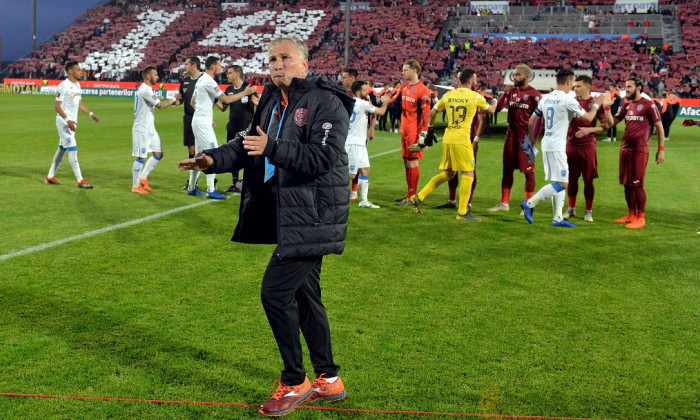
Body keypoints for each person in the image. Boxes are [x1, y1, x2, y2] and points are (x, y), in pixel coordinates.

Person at [177, 37, 353, 417]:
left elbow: (322, 158)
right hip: (290, 214)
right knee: (306, 298)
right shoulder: (273, 99)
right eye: (272, 58)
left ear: (304, 64)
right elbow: (246, 143)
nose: (277, 65)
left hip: (315, 216)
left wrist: (272, 147)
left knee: (275, 293)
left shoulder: (326, 101)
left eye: (285, 58)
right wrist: (211, 160)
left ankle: (294, 382)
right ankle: (328, 379)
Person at [520, 69, 608, 227]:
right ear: (568, 81)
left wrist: (531, 140)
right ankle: (530, 203)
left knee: (560, 180)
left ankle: (558, 217)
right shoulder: (568, 100)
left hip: (547, 143)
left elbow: (532, 120)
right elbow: (588, 117)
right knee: (563, 184)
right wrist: (596, 105)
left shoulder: (546, 98)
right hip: (557, 146)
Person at [410, 68, 496, 220]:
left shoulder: (449, 94)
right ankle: (462, 212)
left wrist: (430, 131)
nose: (475, 81)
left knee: (449, 173)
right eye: (474, 79)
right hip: (462, 139)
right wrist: (495, 100)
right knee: (469, 173)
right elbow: (491, 110)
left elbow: (431, 113)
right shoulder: (476, 97)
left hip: (448, 137)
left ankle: (419, 196)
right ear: (470, 81)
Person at [187, 55, 256, 199]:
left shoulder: (201, 80)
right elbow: (226, 99)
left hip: (198, 121)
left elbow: (193, 102)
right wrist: (245, 92)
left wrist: (205, 116)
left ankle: (192, 187)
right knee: (212, 153)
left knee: (199, 154)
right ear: (212, 67)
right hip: (202, 123)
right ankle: (211, 189)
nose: (221, 68)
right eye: (219, 66)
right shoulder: (208, 81)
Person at [604, 75, 665, 229]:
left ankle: (641, 218)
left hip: (640, 150)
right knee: (627, 184)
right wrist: (606, 108)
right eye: (626, 86)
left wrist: (661, 150)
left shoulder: (648, 105)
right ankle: (631, 214)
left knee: (637, 185)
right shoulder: (625, 106)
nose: (626, 89)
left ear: (638, 88)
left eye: (629, 87)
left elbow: (659, 127)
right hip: (625, 149)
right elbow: (611, 124)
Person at [488, 65, 542, 212]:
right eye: (514, 74)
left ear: (527, 76)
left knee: (529, 172)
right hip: (510, 137)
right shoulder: (511, 92)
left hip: (526, 139)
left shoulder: (535, 95)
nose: (515, 77)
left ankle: (528, 206)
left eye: (518, 75)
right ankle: (504, 203)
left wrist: (533, 140)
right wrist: (504, 94)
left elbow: (539, 121)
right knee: (507, 170)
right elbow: (497, 109)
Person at [45, 61, 100, 188]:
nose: (81, 72)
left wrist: (92, 114)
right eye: (78, 69)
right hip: (64, 122)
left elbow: (79, 104)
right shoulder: (63, 86)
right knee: (73, 149)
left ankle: (50, 176)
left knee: (61, 150)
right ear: (70, 71)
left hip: (72, 123)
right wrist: (67, 120)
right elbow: (57, 106)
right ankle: (80, 180)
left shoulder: (77, 85)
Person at [563, 75, 608, 222]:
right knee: (571, 179)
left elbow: (605, 126)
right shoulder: (571, 102)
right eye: (574, 86)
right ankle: (571, 209)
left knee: (588, 180)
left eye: (578, 86)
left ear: (588, 87)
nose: (575, 89)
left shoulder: (595, 103)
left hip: (588, 146)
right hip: (571, 145)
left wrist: (589, 130)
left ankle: (588, 211)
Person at [131, 67, 180, 194]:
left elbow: (161, 103)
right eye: (155, 75)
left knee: (158, 154)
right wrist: (174, 99)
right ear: (148, 77)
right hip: (141, 129)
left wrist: (173, 103)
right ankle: (135, 186)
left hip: (150, 128)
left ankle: (143, 177)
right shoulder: (145, 90)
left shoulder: (148, 89)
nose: (158, 77)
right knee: (141, 158)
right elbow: (161, 106)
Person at [394, 59, 432, 205]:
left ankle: (412, 196)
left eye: (405, 70)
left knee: (412, 162)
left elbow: (425, 114)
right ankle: (409, 193)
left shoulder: (423, 90)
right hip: (404, 129)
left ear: (414, 70)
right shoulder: (404, 87)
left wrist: (423, 135)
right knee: (406, 161)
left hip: (414, 131)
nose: (403, 72)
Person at [346, 80, 390, 208]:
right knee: (351, 175)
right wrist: (386, 102)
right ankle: (326, 186)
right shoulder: (362, 103)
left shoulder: (350, 102)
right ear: (358, 92)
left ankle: (364, 201)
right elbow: (381, 112)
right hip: (354, 143)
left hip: (359, 143)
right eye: (365, 90)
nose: (367, 91)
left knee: (365, 169)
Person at [217, 65, 260, 194]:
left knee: (248, 155)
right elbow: (224, 108)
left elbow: (259, 106)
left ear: (237, 74)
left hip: (246, 128)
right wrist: (215, 101)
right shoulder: (229, 89)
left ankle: (247, 183)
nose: (227, 75)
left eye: (230, 73)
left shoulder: (248, 88)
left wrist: (253, 122)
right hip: (232, 128)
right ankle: (235, 183)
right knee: (233, 155)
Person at [173, 57, 202, 189]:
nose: (185, 67)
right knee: (191, 149)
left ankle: (209, 177)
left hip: (200, 118)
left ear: (194, 65)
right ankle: (192, 182)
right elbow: (181, 101)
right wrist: (174, 101)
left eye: (187, 64)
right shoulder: (184, 81)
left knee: (201, 149)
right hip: (188, 118)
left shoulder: (203, 80)